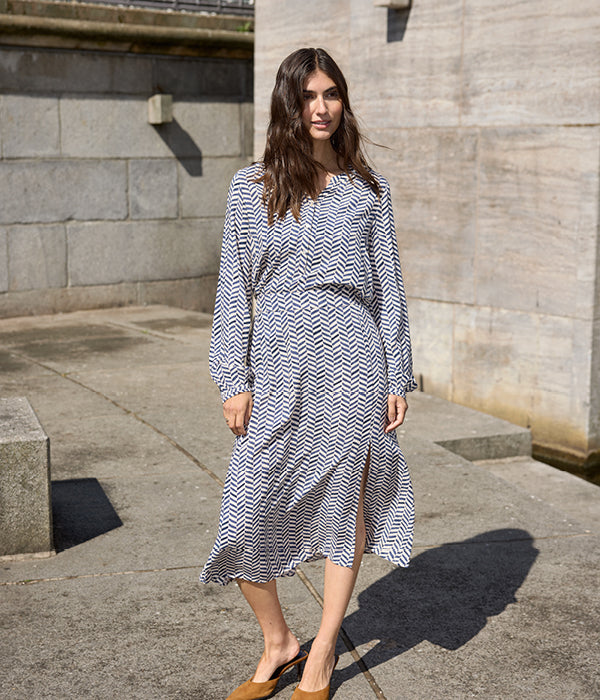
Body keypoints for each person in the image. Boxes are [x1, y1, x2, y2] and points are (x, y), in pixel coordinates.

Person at [199, 47, 417, 700]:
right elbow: (233, 289)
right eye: (308, 96)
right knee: (244, 514)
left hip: (354, 363)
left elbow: (389, 291)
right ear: (287, 104)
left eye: (331, 94)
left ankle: (320, 652)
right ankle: (278, 641)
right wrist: (233, 378)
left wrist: (396, 377)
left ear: (343, 102)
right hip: (277, 365)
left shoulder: (369, 190)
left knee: (344, 505)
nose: (321, 108)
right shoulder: (253, 187)